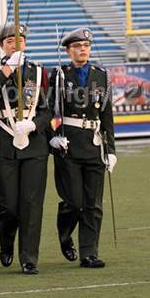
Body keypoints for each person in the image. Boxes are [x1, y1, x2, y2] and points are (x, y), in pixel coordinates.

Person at [0, 23, 50, 275]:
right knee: (8, 204)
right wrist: (9, 68)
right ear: (2, 45)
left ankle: (29, 257)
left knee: (31, 204)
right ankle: (6, 242)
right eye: (10, 41)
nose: (15, 44)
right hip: (4, 144)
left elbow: (48, 109)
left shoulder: (39, 72)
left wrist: (34, 124)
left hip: (34, 146)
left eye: (20, 40)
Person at [48, 27, 117, 268]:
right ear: (68, 51)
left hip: (94, 143)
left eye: (86, 46)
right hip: (68, 145)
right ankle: (65, 237)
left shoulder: (101, 75)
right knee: (73, 202)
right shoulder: (58, 75)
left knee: (93, 203)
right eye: (77, 46)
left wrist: (111, 150)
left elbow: (107, 115)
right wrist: (53, 136)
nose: (83, 50)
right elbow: (47, 110)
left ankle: (89, 252)